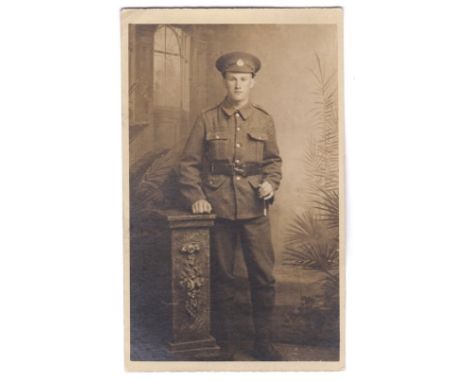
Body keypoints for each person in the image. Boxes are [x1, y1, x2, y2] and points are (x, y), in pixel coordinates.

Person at [179, 51, 282, 361]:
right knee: (222, 277)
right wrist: (195, 197)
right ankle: (224, 344)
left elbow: (274, 162)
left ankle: (262, 343)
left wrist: (270, 183)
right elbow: (188, 165)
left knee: (263, 277)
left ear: (253, 82)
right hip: (218, 208)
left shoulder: (264, 119)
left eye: (243, 79)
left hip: (254, 209)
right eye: (232, 79)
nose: (237, 85)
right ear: (224, 81)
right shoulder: (206, 118)